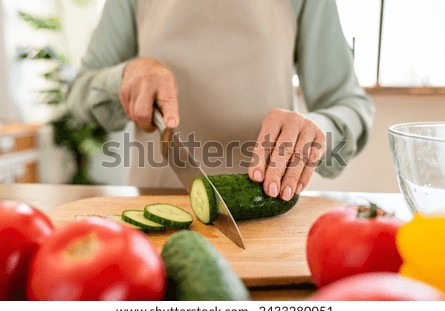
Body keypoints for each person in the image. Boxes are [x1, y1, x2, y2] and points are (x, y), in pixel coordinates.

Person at [66, 0, 374, 201]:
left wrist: (315, 129)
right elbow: (79, 93)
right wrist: (124, 77)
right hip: (157, 203)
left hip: (265, 208)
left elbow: (351, 106)